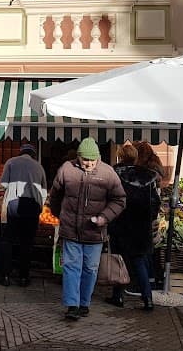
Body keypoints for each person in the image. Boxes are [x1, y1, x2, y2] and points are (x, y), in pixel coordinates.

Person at [48, 137, 126, 321]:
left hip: (95, 232)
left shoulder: (108, 173)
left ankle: (84, 303)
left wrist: (104, 217)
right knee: (71, 267)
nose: (88, 163)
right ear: (79, 158)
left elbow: (120, 200)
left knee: (90, 269)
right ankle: (72, 306)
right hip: (71, 230)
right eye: (85, 160)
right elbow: (55, 195)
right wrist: (61, 216)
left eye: (92, 160)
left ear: (97, 158)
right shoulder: (67, 169)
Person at [106, 144, 161, 311]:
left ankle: (118, 296)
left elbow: (108, 198)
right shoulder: (148, 176)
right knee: (139, 261)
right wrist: (148, 218)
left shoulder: (114, 173)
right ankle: (148, 298)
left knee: (119, 261)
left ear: (120, 157)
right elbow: (155, 202)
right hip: (141, 225)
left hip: (120, 223)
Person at [0, 143, 48, 287]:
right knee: (27, 243)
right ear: (33, 154)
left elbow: (4, 184)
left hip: (14, 203)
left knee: (8, 240)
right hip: (32, 206)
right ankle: (24, 277)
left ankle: (5, 276)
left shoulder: (11, 162)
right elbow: (44, 192)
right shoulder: (39, 167)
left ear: (21, 153)